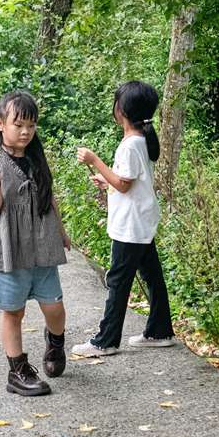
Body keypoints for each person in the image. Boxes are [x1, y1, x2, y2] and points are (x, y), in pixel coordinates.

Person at [72, 80, 175, 357]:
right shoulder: (140, 140)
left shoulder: (130, 145)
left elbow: (124, 184)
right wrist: (107, 182)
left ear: (121, 110)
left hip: (131, 226)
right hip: (141, 220)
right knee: (152, 276)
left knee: (117, 280)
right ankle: (159, 331)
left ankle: (106, 341)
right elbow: (127, 183)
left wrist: (95, 160)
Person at [0, 90, 71, 397]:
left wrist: (61, 230)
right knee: (13, 312)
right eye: (18, 124)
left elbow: (49, 197)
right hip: (10, 248)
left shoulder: (36, 158)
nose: (25, 131)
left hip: (42, 244)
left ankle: (55, 342)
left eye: (31, 125)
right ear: (0, 123)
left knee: (54, 306)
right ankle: (17, 370)